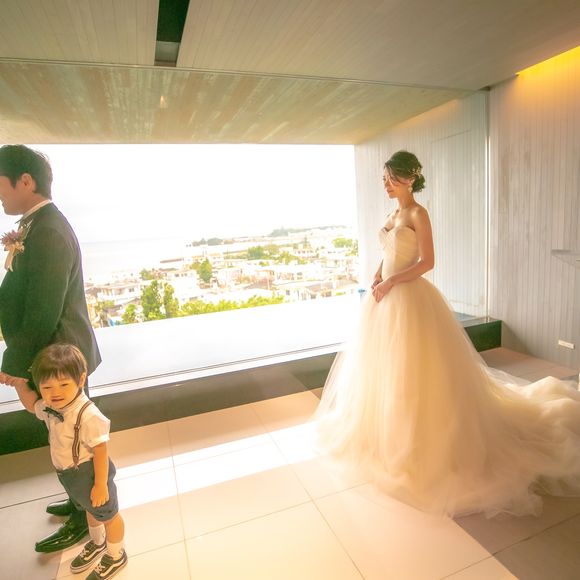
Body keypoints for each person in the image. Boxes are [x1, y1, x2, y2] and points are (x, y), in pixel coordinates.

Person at [316, 150, 580, 518]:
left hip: (408, 298)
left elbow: (427, 261)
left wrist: (391, 281)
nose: (386, 184)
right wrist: (377, 275)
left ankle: (420, 441)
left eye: (391, 177)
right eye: (384, 178)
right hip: (385, 299)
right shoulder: (392, 215)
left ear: (410, 178)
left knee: (416, 371)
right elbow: (388, 251)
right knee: (385, 371)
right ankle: (386, 435)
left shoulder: (417, 214)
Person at [0, 144, 102, 551]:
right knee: (64, 436)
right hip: (56, 356)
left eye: (0, 184)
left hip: (62, 360)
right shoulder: (38, 226)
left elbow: (43, 309)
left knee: (76, 442)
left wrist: (14, 363)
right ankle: (78, 501)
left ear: (25, 181)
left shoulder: (49, 232)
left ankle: (86, 517)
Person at [12, 344, 127, 579]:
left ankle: (116, 554)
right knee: (89, 510)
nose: (55, 393)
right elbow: (32, 404)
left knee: (109, 515)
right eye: (47, 387)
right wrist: (19, 384)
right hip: (70, 475)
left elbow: (101, 450)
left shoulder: (88, 414)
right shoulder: (51, 406)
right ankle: (98, 542)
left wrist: (100, 485)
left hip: (90, 473)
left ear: (81, 379)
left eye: (64, 385)